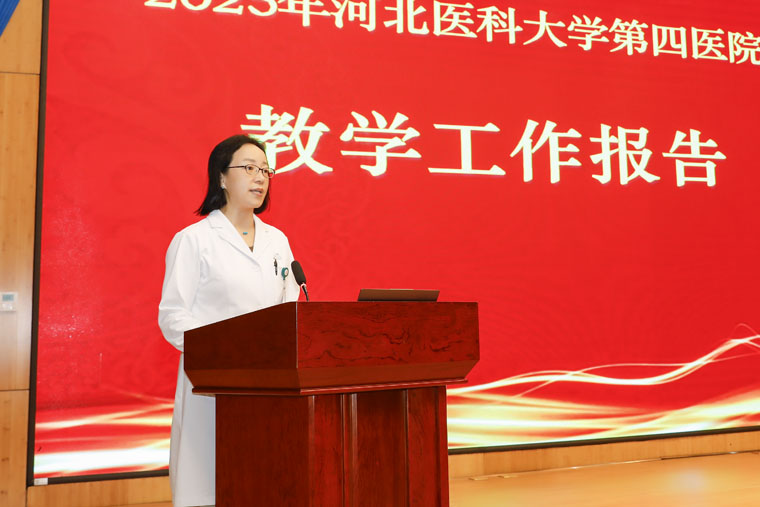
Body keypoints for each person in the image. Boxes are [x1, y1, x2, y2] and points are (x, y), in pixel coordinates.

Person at [158, 134, 300, 507]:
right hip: (212, 382)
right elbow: (173, 316)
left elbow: (288, 304)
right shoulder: (194, 240)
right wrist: (224, 348)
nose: (260, 177)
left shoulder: (277, 241)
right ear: (221, 177)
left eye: (265, 170)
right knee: (211, 483)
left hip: (269, 381)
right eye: (249, 168)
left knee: (264, 481)